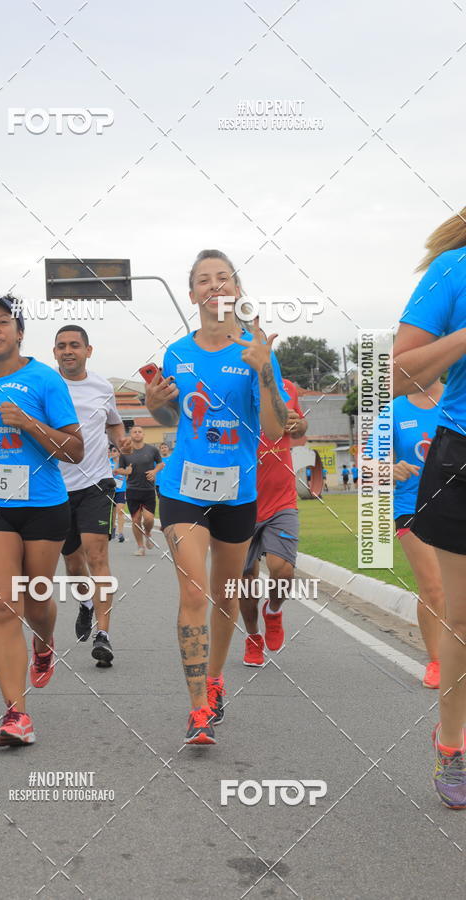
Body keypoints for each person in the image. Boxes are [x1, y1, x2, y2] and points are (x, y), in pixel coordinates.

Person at [145, 248, 288, 745]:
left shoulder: (256, 350)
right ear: (191, 295)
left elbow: (274, 427)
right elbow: (171, 421)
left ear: (237, 290)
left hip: (237, 490)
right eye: (204, 280)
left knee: (227, 597)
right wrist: (153, 404)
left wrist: (265, 369)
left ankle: (214, 679)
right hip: (182, 487)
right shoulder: (177, 353)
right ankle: (197, 709)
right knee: (194, 592)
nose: (214, 286)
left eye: (223, 278)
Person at [0, 292, 83, 747]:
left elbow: (75, 452)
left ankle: (44, 643)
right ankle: (16, 715)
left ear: (19, 332)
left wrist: (29, 424)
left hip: (42, 505)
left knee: (36, 603)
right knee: (2, 606)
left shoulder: (45, 379)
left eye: (2, 322)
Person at [393, 208, 466, 808]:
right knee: (460, 615)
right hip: (462, 455)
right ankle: (452, 745)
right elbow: (397, 371)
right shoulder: (452, 270)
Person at [53, 324, 127, 667]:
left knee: (98, 556)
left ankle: (104, 634)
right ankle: (85, 604)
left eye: (74, 345)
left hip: (97, 483)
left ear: (88, 350)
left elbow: (113, 423)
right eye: (62, 346)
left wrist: (120, 439)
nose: (68, 351)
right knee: (73, 564)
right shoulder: (44, 385)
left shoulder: (101, 386)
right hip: (55, 487)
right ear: (55, 353)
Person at [240, 377, 308, 666]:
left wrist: (297, 423)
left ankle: (274, 610)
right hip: (239, 501)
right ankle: (253, 637)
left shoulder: (287, 387)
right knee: (246, 580)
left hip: (281, 500)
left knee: (283, 573)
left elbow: (302, 426)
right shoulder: (230, 382)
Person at [391, 381, 446, 689]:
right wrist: (389, 467)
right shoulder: (394, 410)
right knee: (434, 587)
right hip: (411, 507)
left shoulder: (457, 399)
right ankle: (437, 661)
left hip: (455, 505)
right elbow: (369, 461)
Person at [116, 426, 161, 557]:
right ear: (130, 434)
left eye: (139, 432)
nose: (137, 434)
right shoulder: (125, 452)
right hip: (132, 490)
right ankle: (140, 547)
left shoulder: (152, 450)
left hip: (148, 489)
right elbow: (119, 470)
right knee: (136, 520)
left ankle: (147, 533)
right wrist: (126, 472)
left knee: (149, 519)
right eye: (134, 432)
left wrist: (154, 471)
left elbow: (160, 463)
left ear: (143, 434)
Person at [109, 446, 126, 542]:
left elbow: (128, 474)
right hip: (110, 490)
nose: (112, 452)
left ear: (119, 452)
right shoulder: (108, 462)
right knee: (112, 512)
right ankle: (113, 528)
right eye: (111, 451)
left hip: (121, 490)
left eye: (115, 451)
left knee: (120, 511)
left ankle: (120, 533)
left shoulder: (124, 463)